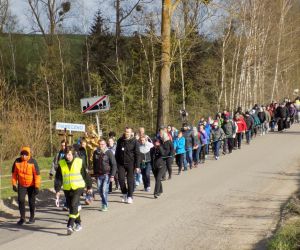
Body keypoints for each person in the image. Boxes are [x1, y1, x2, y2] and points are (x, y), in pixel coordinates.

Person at [54, 146, 92, 235]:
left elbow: (85, 175)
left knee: (73, 204)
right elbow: (58, 178)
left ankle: (69, 225)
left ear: (73, 154)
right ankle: (78, 223)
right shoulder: (61, 163)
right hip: (67, 188)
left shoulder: (79, 162)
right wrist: (57, 190)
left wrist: (89, 186)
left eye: (70, 154)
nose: (68, 156)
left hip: (78, 187)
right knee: (72, 207)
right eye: (67, 154)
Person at [12, 146, 41, 225]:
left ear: (29, 154)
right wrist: (14, 184)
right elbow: (14, 174)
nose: (24, 156)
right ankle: (22, 218)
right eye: (22, 154)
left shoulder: (33, 162)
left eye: (25, 154)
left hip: (31, 185)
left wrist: (37, 186)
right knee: (21, 200)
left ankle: (32, 217)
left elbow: (37, 175)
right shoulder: (17, 161)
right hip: (21, 184)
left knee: (31, 201)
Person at [115, 127, 140, 204]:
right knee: (121, 179)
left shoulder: (134, 141)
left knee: (130, 181)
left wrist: (137, 166)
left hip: (131, 163)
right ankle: (124, 193)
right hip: (121, 163)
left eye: (128, 132)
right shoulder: (120, 140)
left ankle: (130, 196)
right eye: (126, 132)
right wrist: (116, 164)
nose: (127, 133)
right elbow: (117, 153)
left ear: (131, 133)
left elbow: (137, 154)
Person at [93, 139, 117, 212]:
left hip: (107, 174)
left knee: (104, 190)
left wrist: (112, 175)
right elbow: (94, 164)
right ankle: (104, 200)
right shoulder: (95, 152)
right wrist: (94, 174)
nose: (101, 146)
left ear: (105, 145)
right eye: (100, 144)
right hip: (99, 175)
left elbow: (114, 164)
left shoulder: (109, 152)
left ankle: (104, 204)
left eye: (102, 144)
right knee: (100, 191)